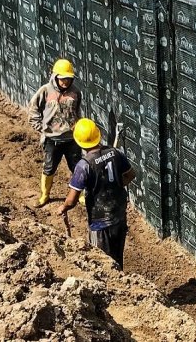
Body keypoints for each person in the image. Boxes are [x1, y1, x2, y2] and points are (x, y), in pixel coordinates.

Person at [57, 118, 135, 270]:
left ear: (79, 142)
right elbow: (130, 174)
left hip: (100, 223)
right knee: (117, 259)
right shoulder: (114, 153)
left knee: (102, 264)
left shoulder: (84, 165)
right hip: (119, 216)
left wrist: (63, 207)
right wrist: (113, 186)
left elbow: (72, 200)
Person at [29, 59, 82, 208]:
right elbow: (33, 109)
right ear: (56, 76)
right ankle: (45, 195)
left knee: (78, 167)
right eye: (62, 78)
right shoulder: (45, 91)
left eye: (68, 78)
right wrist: (41, 128)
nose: (65, 81)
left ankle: (81, 194)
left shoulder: (76, 92)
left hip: (72, 139)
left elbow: (77, 112)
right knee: (49, 167)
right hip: (52, 140)